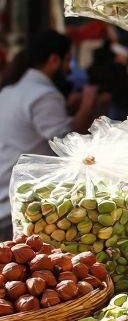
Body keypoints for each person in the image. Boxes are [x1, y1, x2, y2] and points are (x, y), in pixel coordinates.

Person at [0, 30, 107, 237]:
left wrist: (69, 107)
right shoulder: (43, 95)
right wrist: (88, 102)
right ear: (54, 60)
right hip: (13, 204)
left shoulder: (11, 91)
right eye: (68, 61)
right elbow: (68, 142)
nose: (69, 69)